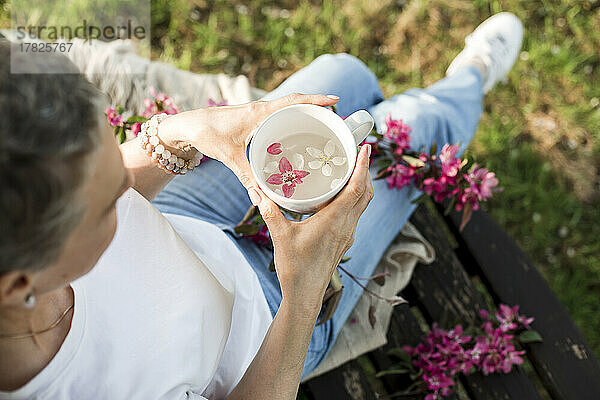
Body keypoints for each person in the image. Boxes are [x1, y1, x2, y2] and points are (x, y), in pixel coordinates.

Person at [0, 12, 523, 400]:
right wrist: (305, 288)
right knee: (415, 130)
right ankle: (470, 77)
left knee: (344, 77)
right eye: (107, 204)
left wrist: (184, 133)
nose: (124, 189)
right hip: (267, 320)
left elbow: (124, 179)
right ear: (20, 284)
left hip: (186, 221)